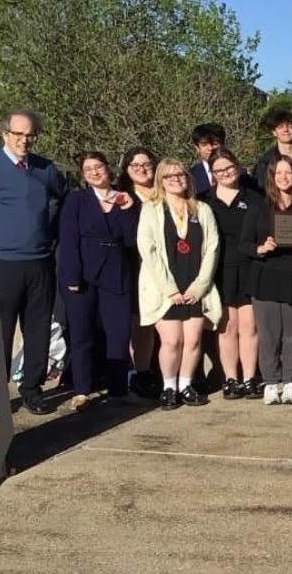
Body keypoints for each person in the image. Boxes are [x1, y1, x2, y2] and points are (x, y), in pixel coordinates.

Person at [0, 109, 68, 415]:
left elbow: (64, 200)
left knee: (38, 330)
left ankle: (31, 388)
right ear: (5, 134)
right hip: (2, 263)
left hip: (41, 262)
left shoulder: (45, 168)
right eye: (18, 134)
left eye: (30, 135)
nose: (24, 141)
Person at [137, 158, 221, 409]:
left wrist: (199, 286)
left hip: (195, 287)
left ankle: (186, 385)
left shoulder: (202, 209)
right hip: (165, 288)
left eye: (180, 175)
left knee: (193, 340)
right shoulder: (151, 209)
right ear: (160, 181)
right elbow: (147, 248)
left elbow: (212, 248)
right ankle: (169, 387)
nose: (175, 180)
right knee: (172, 341)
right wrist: (169, 289)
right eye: (169, 176)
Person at [58, 151, 139, 410]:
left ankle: (118, 389)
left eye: (98, 166)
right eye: (88, 169)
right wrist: (71, 275)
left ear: (108, 168)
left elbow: (131, 239)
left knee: (119, 333)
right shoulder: (77, 200)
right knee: (82, 334)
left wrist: (127, 209)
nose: (94, 172)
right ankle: (82, 389)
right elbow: (68, 239)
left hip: (116, 271)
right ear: (83, 175)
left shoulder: (125, 199)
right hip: (82, 273)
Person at [242, 155, 292, 405]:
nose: (284, 178)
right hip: (267, 276)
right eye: (279, 173)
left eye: (288, 173)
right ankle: (271, 381)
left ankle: (290, 381)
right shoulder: (258, 208)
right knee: (269, 336)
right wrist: (260, 249)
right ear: (272, 178)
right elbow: (243, 244)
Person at [202, 149, 263, 400]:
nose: (225, 173)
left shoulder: (255, 198)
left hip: (250, 267)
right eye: (219, 170)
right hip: (220, 270)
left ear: (237, 167)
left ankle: (249, 378)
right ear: (212, 174)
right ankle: (230, 379)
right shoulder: (203, 200)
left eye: (229, 168)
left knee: (249, 326)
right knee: (227, 327)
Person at [116, 145, 161, 398]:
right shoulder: (122, 196)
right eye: (135, 165)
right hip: (136, 265)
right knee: (141, 322)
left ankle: (162, 371)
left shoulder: (165, 191)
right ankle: (140, 372)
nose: (142, 169)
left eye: (146, 165)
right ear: (127, 169)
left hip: (166, 265)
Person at [253, 107, 292, 190]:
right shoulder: (265, 162)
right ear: (274, 132)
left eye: (290, 126)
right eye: (280, 127)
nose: (285, 130)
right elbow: (260, 188)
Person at [188, 123, 226, 196]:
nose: (210, 148)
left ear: (223, 145)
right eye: (204, 144)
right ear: (197, 148)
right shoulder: (189, 178)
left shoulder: (238, 173)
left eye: (214, 143)